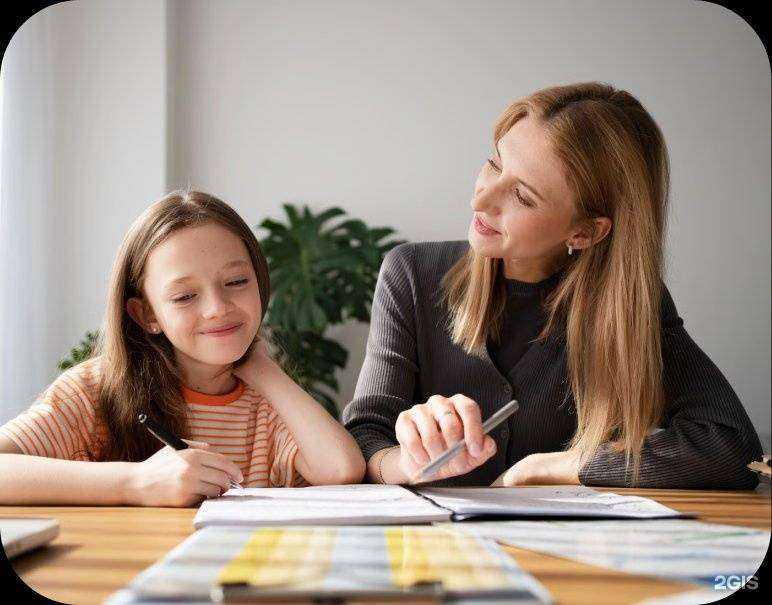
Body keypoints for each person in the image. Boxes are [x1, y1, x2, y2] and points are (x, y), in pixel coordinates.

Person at [343, 82, 762, 489]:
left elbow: (731, 447)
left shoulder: (628, 306)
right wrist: (407, 462)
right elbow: (365, 438)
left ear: (584, 232)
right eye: (495, 164)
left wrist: (552, 467)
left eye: (523, 197)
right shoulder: (412, 274)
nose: (481, 200)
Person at [0, 190, 365, 506]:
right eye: (185, 296)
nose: (217, 308)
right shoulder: (94, 390)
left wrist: (263, 368)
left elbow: (342, 469)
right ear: (145, 314)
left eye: (237, 281)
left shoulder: (269, 403)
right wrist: (136, 483)